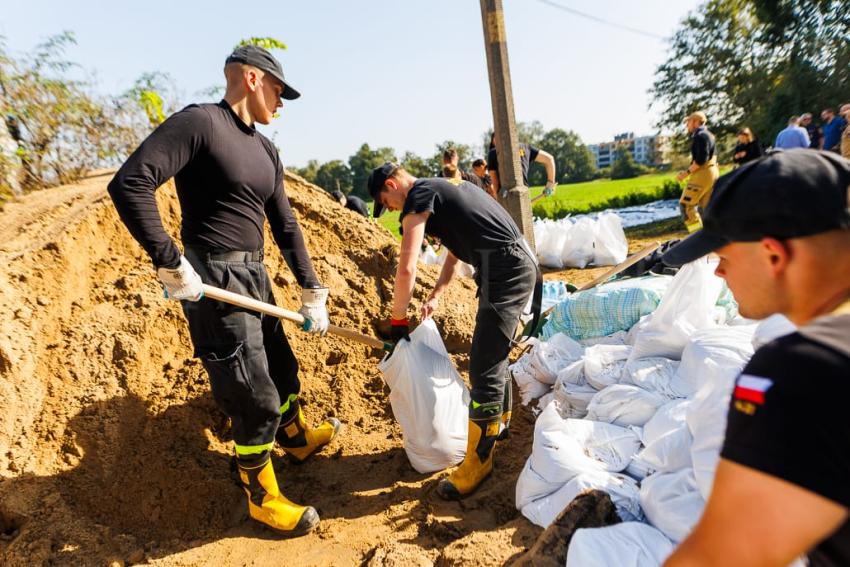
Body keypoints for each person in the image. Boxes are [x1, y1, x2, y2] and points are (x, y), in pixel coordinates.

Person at [107, 45, 341, 537]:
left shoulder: (265, 149)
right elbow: (130, 183)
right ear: (252, 79)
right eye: (279, 91)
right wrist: (172, 263)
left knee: (280, 366)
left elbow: (286, 223)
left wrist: (310, 287)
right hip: (211, 281)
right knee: (250, 390)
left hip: (254, 275)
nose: (282, 104)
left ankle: (295, 440)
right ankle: (261, 496)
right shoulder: (200, 125)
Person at [661, 150, 850, 567]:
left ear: (773, 255)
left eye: (725, 258)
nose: (718, 274)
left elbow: (723, 556)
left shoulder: (802, 370)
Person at [368, 162, 539, 500]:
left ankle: (478, 462)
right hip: (507, 264)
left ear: (392, 184)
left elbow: (406, 267)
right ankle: (499, 424)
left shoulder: (419, 195)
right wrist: (437, 293)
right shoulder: (442, 187)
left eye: (387, 202)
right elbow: (454, 249)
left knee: (483, 364)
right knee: (494, 351)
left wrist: (398, 319)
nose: (391, 209)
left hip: (506, 268)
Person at [676, 111, 720, 233]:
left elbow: (701, 159)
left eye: (688, 122)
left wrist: (685, 173)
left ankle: (696, 239)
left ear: (695, 122)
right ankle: (715, 238)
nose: (687, 126)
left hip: (704, 172)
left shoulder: (700, 136)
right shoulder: (709, 135)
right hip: (713, 171)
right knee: (707, 208)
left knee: (686, 206)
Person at [487, 132, 556, 200]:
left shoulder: (493, 153)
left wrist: (497, 200)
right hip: (524, 193)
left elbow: (495, 182)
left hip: (505, 196)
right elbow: (549, 159)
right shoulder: (525, 148)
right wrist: (550, 184)